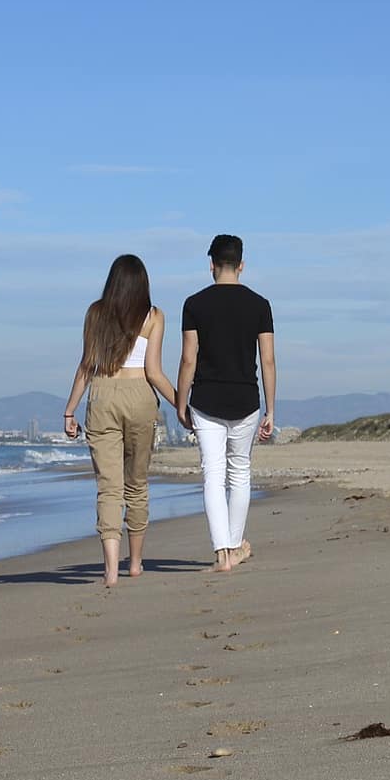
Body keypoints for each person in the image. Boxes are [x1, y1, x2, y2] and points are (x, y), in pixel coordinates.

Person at [63, 254, 177, 588]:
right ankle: (136, 563)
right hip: (140, 394)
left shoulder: (95, 313)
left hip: (102, 395)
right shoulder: (153, 316)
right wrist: (182, 405)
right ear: (143, 284)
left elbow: (86, 366)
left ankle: (110, 570)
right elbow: (154, 372)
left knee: (108, 487)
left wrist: (70, 411)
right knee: (137, 483)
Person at [176, 234, 275, 572]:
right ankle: (234, 547)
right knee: (240, 474)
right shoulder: (260, 305)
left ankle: (222, 554)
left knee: (213, 475)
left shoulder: (194, 304)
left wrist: (180, 400)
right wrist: (271, 408)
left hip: (205, 399)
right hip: (246, 398)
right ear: (242, 265)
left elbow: (189, 358)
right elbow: (269, 361)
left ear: (212, 266)